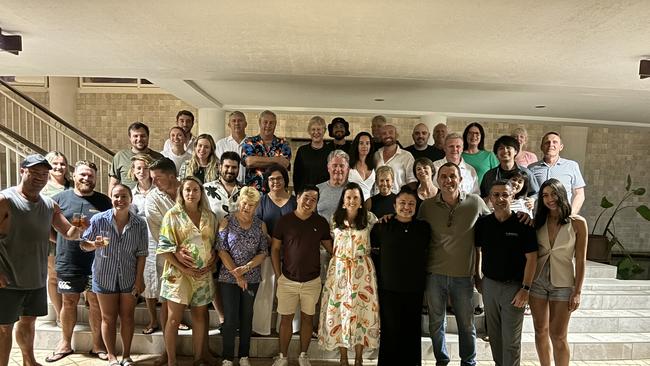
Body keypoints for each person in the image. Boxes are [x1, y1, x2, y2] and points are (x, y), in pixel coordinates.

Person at [0, 154, 82, 366]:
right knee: (3, 327)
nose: (39, 177)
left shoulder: (48, 205)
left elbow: (68, 233)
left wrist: (81, 228)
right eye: (34, 172)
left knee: (29, 322)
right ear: (22, 171)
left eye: (44, 174)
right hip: (7, 279)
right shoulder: (5, 200)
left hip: (35, 277)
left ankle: (29, 361)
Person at [417, 162, 491, 366]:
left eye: (453, 176)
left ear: (460, 179)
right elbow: (416, 233)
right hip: (434, 273)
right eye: (444, 176)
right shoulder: (427, 206)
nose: (448, 180)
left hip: (463, 276)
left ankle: (468, 362)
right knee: (435, 323)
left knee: (466, 325)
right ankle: (442, 359)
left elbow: (494, 224)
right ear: (437, 180)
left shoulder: (475, 203)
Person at [47, 161, 112, 363]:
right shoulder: (59, 200)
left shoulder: (104, 201)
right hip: (68, 260)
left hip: (97, 261)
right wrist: (65, 242)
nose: (86, 178)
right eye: (83, 174)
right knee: (69, 301)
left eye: (90, 176)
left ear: (95, 178)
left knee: (94, 302)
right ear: (74, 175)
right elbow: (49, 229)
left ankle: (98, 345)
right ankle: (65, 343)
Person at [80, 184, 147, 366]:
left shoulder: (140, 224)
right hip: (104, 276)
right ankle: (111, 356)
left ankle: (126, 356)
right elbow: (83, 244)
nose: (120, 200)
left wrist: (139, 279)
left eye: (124, 196)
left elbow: (142, 254)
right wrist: (94, 244)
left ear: (130, 198)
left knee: (127, 317)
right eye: (116, 196)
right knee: (108, 318)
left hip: (128, 277)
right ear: (111, 198)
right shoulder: (99, 219)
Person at [474, 180, 538, 366]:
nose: (500, 198)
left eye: (505, 194)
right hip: (490, 285)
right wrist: (478, 277)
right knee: (494, 336)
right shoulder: (484, 223)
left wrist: (526, 288)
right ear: (490, 198)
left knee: (510, 340)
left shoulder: (523, 224)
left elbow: (532, 258)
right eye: (496, 195)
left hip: (514, 288)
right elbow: (477, 250)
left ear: (513, 196)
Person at [158, 177, 218, 366]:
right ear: (181, 193)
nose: (191, 194)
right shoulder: (172, 215)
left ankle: (199, 357)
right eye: (187, 190)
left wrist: (212, 262)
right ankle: (171, 361)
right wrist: (184, 267)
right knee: (174, 319)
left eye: (195, 190)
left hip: (202, 275)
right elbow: (164, 248)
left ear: (201, 193)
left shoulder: (209, 215)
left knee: (200, 316)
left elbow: (215, 246)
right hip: (178, 275)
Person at [270, 185, 333, 366]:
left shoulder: (320, 223)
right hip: (287, 280)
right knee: (286, 319)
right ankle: (282, 357)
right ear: (297, 198)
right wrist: (278, 274)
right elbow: (275, 249)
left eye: (314, 199)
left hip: (312, 280)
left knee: (307, 319)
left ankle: (303, 356)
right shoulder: (284, 221)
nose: (309, 202)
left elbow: (332, 250)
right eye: (306, 197)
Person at [318, 182, 379, 366]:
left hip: (363, 271)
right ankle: (343, 357)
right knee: (340, 312)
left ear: (361, 201)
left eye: (355, 197)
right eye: (348, 197)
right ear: (343, 201)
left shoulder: (369, 219)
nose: (352, 201)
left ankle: (359, 358)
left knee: (362, 312)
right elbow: (328, 242)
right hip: (339, 271)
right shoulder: (335, 219)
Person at [529, 178, 587, 366]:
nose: (549, 199)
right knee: (540, 330)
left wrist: (577, 291)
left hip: (563, 284)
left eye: (553, 194)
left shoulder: (578, 223)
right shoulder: (538, 221)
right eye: (545, 195)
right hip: (537, 281)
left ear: (561, 194)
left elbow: (580, 260)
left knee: (558, 335)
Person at [370, 187, 430, 366]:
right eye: (402, 203)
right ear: (394, 205)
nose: (406, 207)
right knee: (390, 332)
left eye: (411, 204)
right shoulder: (382, 226)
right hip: (389, 288)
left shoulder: (423, 228)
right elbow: (372, 252)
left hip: (414, 288)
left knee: (411, 332)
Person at [217, 187, 268, 366]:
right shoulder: (226, 221)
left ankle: (244, 356)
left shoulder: (260, 225)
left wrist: (246, 268)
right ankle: (227, 357)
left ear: (256, 207)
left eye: (251, 205)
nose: (246, 207)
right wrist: (237, 274)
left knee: (247, 316)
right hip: (228, 277)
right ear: (239, 202)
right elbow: (221, 250)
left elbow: (263, 252)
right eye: (244, 203)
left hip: (251, 277)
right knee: (230, 317)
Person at [144, 158, 186, 365]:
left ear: (172, 175)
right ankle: (168, 355)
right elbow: (159, 231)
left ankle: (201, 353)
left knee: (197, 309)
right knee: (168, 308)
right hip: (169, 258)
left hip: (195, 257)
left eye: (157, 178)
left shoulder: (189, 188)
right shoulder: (152, 199)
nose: (154, 183)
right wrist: (178, 251)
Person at [253, 165, 297, 336]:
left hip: (291, 254)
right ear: (267, 182)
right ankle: (260, 327)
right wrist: (269, 239)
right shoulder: (262, 201)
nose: (275, 182)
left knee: (290, 291)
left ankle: (290, 327)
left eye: (279, 178)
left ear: (285, 180)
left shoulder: (294, 202)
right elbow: (257, 225)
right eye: (271, 179)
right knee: (266, 287)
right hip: (267, 251)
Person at [42, 151, 72, 328]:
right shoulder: (44, 189)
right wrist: (55, 238)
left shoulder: (72, 185)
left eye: (62, 164)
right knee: (53, 276)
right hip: (52, 239)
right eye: (55, 164)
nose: (59, 167)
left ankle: (69, 310)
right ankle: (60, 313)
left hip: (71, 238)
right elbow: (41, 218)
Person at [528, 132, 586, 214]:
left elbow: (579, 194)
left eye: (555, 142)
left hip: (563, 216)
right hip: (538, 218)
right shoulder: (531, 168)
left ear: (561, 147)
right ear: (541, 147)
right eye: (547, 142)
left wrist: (571, 214)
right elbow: (527, 194)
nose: (551, 145)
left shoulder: (571, 166)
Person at [240, 110, 291, 192]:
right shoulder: (249, 142)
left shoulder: (283, 144)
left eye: (271, 123)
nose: (268, 125)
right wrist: (277, 160)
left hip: (277, 194)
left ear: (275, 124)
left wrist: (258, 160)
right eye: (265, 122)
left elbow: (284, 164)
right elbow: (249, 162)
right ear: (260, 123)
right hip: (254, 194)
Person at [109, 122, 164, 192]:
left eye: (143, 136)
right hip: (127, 201)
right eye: (135, 136)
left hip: (154, 200)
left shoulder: (159, 158)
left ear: (148, 137)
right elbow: (113, 184)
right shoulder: (120, 157)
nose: (139, 139)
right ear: (130, 138)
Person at [479, 135, 539, 199]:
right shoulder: (489, 175)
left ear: (516, 151)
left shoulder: (526, 173)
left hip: (519, 208)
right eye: (501, 148)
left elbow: (536, 193)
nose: (505, 150)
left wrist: (532, 200)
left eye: (508, 147)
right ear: (496, 154)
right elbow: (483, 195)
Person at [293, 116, 332, 193]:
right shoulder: (302, 151)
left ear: (324, 131)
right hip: (306, 194)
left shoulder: (331, 151)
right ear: (309, 131)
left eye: (319, 129)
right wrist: (298, 194)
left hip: (325, 194)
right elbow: (297, 176)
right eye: (313, 129)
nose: (316, 132)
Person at [374, 124, 417, 193]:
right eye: (384, 133)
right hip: (377, 199)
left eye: (391, 132)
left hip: (398, 199)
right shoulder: (376, 155)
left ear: (396, 135)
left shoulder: (407, 156)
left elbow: (412, 182)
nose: (387, 135)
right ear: (381, 137)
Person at [316, 150, 350, 225]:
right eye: (334, 165)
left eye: (342, 166)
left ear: (347, 169)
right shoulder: (317, 189)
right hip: (323, 234)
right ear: (328, 168)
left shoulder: (354, 190)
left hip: (347, 235)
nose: (338, 169)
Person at [215, 111, 248, 183]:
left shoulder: (252, 143)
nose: (237, 123)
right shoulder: (221, 144)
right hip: (228, 185)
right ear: (229, 125)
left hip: (249, 185)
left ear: (245, 124)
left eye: (240, 120)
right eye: (234, 121)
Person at [347, 132, 376, 201]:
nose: (364, 146)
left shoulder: (374, 163)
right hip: (352, 202)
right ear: (356, 145)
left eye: (367, 143)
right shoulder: (349, 164)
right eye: (361, 143)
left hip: (369, 204)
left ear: (370, 146)